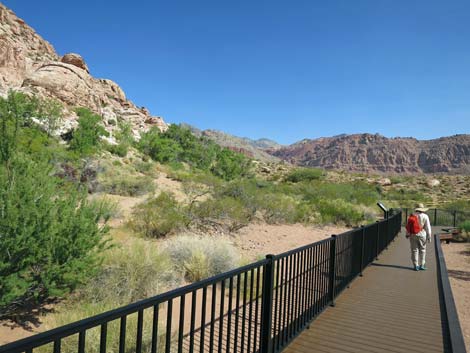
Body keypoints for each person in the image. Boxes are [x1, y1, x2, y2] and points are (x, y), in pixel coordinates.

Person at [405, 203, 432, 271]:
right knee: (422, 250)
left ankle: (415, 265)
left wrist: (407, 234)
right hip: (422, 234)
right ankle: (422, 265)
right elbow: (428, 227)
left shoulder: (412, 216)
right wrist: (429, 236)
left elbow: (408, 226)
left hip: (413, 234)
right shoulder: (425, 216)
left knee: (414, 250)